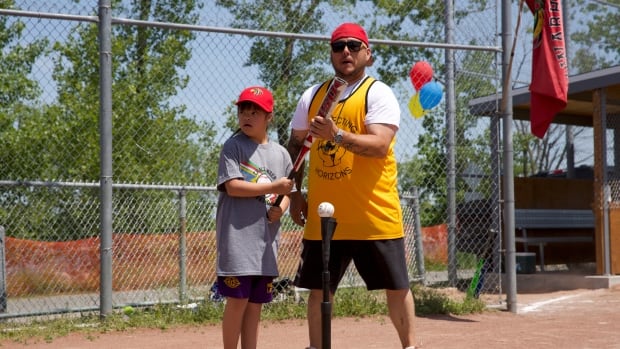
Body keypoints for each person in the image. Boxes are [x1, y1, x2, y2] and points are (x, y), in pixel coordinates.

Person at [288, 23, 418, 349]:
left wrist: (336, 135)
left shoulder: (377, 92)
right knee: (319, 291)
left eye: (353, 45)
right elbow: (294, 148)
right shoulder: (313, 96)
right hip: (325, 216)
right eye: (338, 46)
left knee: (397, 288)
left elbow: (380, 146)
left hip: (373, 213)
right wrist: (294, 195)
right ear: (331, 54)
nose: (346, 51)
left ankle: (410, 347)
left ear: (367, 53)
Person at [216, 86, 295, 349]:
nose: (247, 116)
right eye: (243, 111)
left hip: (265, 246)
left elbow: (288, 194)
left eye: (255, 112)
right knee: (237, 301)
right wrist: (274, 188)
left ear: (269, 117)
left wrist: (281, 208)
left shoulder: (281, 154)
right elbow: (233, 187)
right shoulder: (233, 146)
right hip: (238, 242)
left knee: (255, 306)